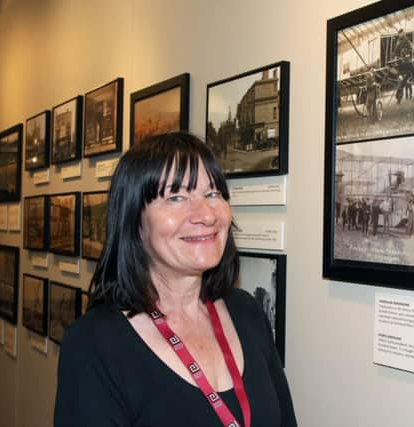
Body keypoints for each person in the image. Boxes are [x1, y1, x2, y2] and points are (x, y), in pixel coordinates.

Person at [54, 132, 297, 427]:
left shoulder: (246, 312)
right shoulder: (94, 345)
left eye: (212, 194)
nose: (206, 215)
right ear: (135, 221)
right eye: (176, 197)